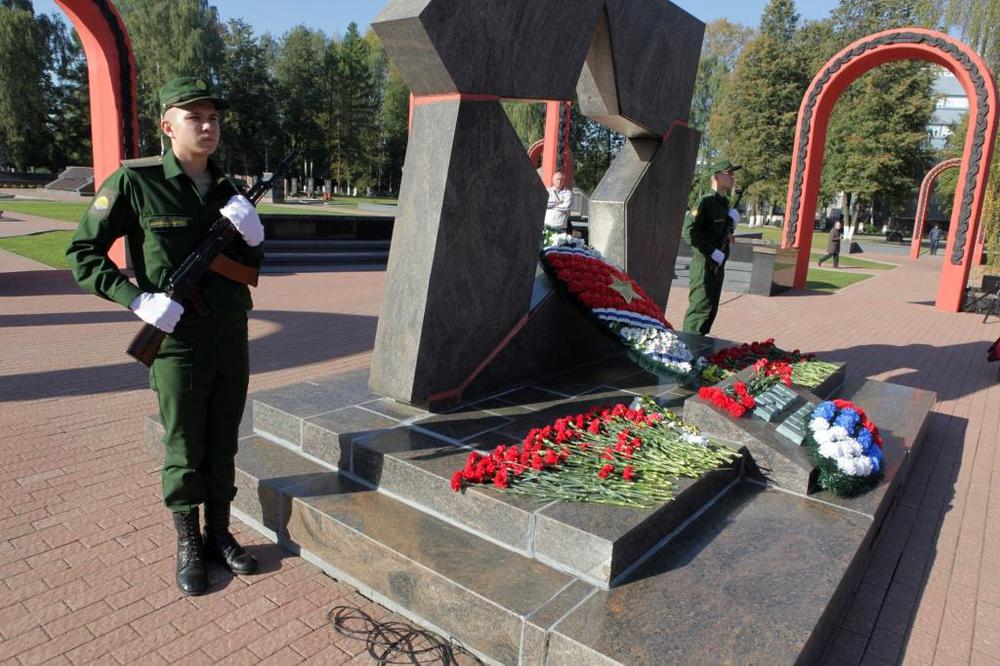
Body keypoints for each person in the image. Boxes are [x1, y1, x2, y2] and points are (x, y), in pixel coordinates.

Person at [66, 77, 264, 596]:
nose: (207, 125)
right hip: (175, 339)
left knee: (223, 439)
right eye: (195, 116)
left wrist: (254, 239)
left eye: (214, 118)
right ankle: (187, 541)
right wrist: (135, 297)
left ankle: (219, 534)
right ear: (167, 125)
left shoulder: (230, 189)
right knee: (183, 445)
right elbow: (82, 254)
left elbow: (246, 269)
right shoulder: (137, 183)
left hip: (229, 333)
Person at [682, 160, 741, 336]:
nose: (732, 177)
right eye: (728, 173)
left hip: (718, 265)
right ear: (716, 176)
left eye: (732, 173)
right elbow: (688, 231)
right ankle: (688, 348)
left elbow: (718, 233)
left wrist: (731, 229)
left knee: (710, 309)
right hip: (704, 265)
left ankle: (701, 347)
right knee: (700, 308)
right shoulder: (705, 202)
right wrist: (712, 251)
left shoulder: (724, 204)